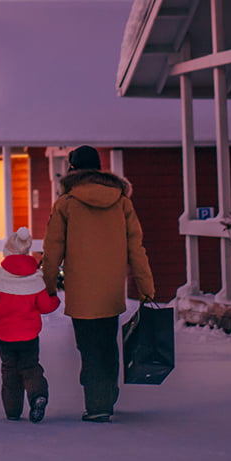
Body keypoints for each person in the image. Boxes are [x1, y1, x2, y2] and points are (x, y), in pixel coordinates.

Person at [41, 145, 154, 422]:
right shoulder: (122, 201)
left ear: (72, 169)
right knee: (107, 343)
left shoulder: (66, 202)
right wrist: (145, 286)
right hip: (111, 289)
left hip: (81, 291)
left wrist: (49, 284)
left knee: (89, 347)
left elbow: (53, 247)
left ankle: (97, 404)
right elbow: (135, 247)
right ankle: (106, 391)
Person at [0, 226, 60, 423]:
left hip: (5, 335)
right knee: (30, 366)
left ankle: (13, 411)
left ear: (7, 249)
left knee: (9, 370)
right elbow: (46, 306)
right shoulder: (35, 276)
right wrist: (54, 298)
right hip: (30, 334)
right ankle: (37, 395)